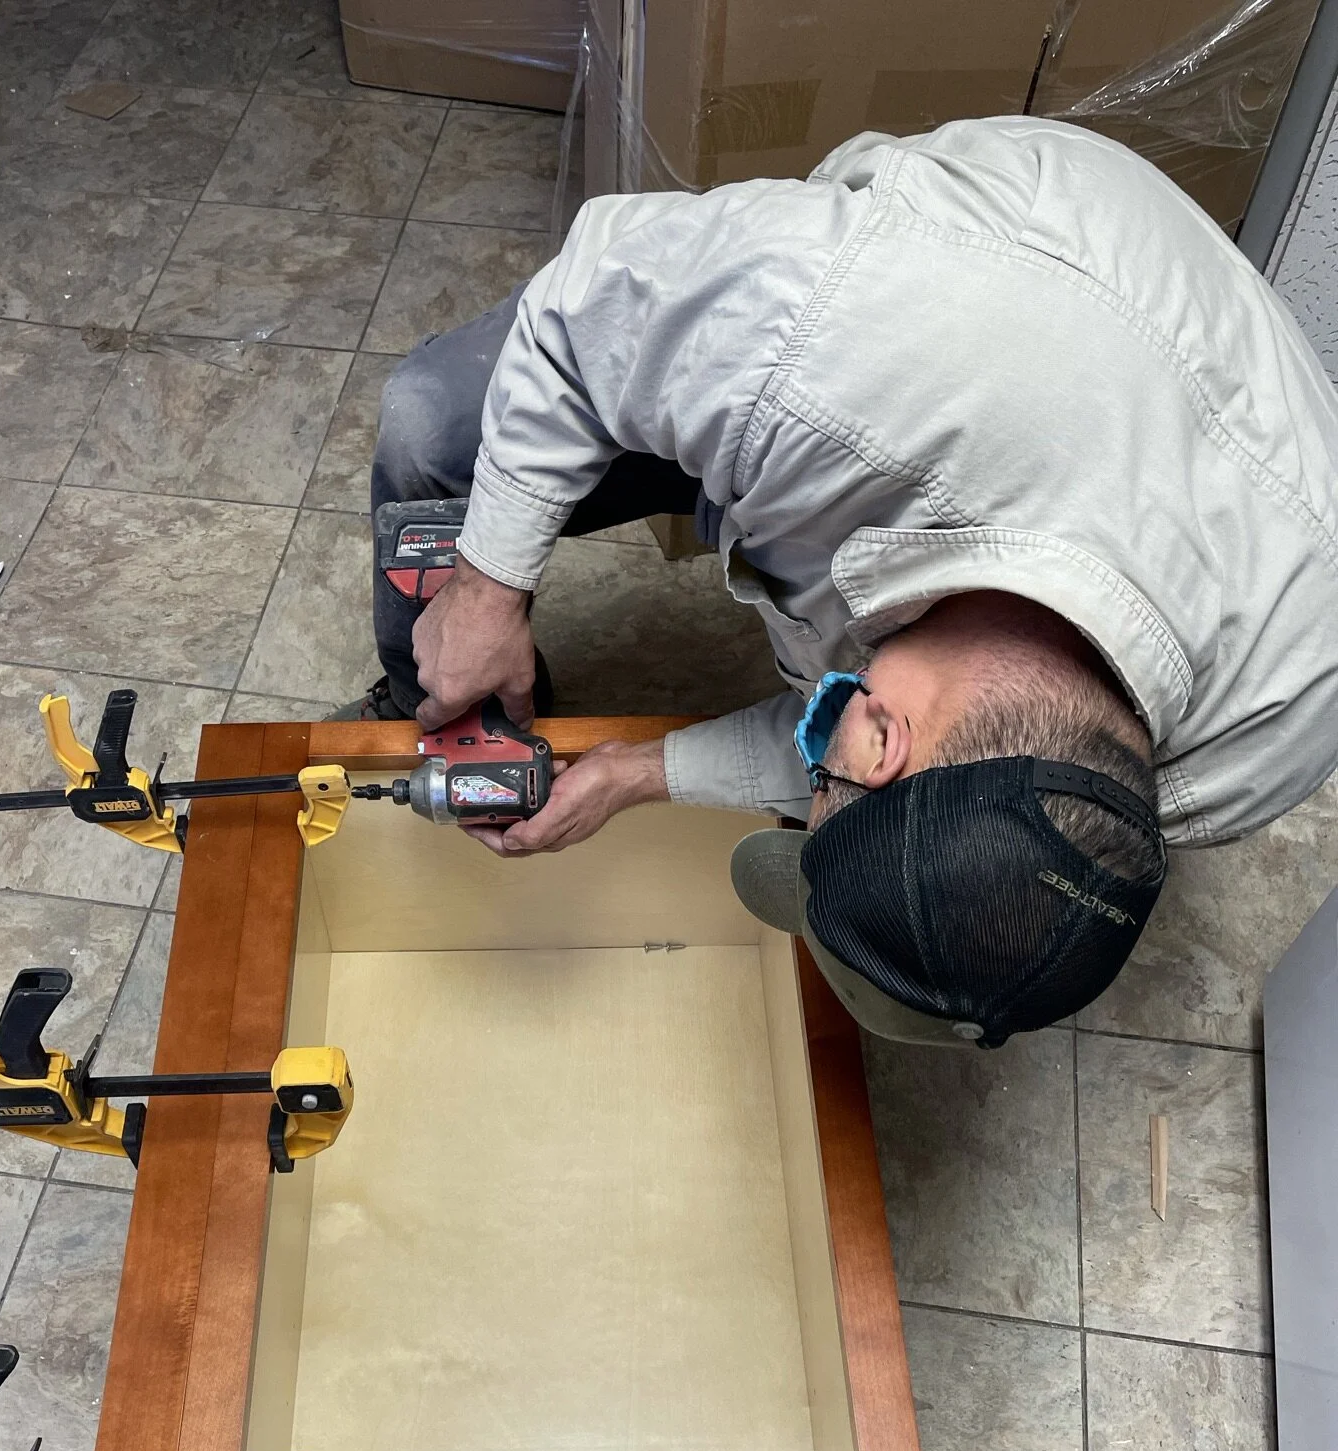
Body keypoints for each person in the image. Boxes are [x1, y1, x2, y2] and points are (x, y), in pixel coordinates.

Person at [334, 116, 1338, 1046]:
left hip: (1148, 402)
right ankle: (422, 681)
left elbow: (918, 763)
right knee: (431, 427)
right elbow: (582, 313)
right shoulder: (823, 354)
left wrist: (630, 774)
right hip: (969, 304)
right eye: (833, 770)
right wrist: (484, 590)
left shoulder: (1263, 750)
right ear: (880, 735)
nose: (816, 766)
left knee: (842, 719)